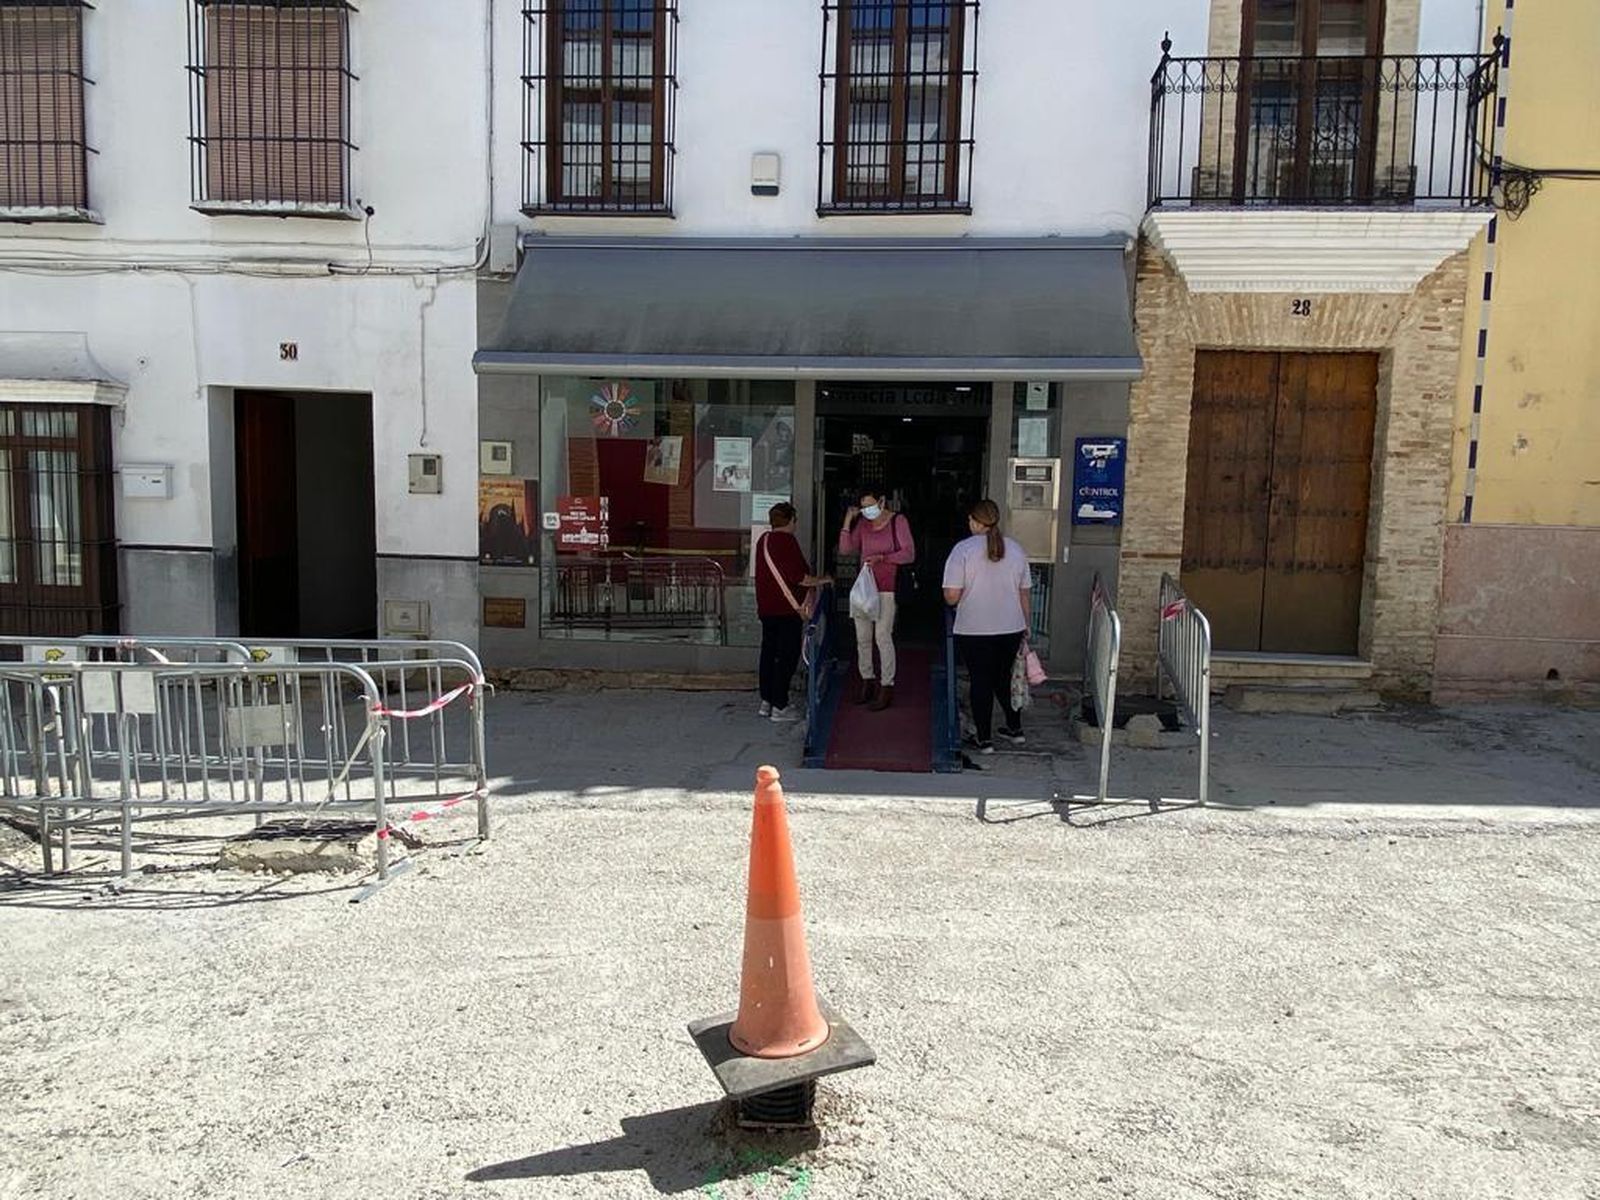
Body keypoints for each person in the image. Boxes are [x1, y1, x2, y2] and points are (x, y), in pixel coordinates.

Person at [942, 499, 1032, 755]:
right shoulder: (1015, 549)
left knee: (980, 681)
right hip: (1011, 626)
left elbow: (951, 595)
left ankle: (984, 739)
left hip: (973, 627)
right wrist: (1027, 627)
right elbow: (1025, 594)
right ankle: (1015, 729)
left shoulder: (962, 550)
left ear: (974, 521)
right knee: (1003, 678)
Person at [838, 489, 914, 712]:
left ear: (882, 501)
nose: (867, 511)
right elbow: (845, 549)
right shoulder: (862, 523)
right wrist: (848, 520)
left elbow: (909, 553)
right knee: (862, 637)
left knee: (882, 635)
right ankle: (866, 679)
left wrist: (884, 558)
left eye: (870, 505)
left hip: (887, 587)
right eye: (863, 507)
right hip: (865, 587)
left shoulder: (897, 521)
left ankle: (886, 685)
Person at [754, 503, 828, 723]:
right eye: (795, 520)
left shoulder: (763, 541)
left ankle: (766, 700)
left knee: (768, 653)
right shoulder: (787, 542)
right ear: (790, 520)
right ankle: (780, 705)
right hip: (787, 609)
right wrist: (823, 579)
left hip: (766, 607)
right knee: (786, 656)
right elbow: (799, 577)